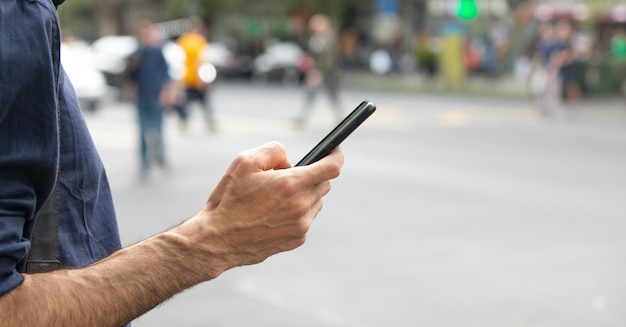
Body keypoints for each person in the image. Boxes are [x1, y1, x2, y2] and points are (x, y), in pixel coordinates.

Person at [0, 1, 344, 326]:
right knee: (150, 133)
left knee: (155, 134)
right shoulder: (17, 14)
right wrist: (215, 237)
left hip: (155, 99)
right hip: (147, 102)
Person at [126, 19, 172, 179]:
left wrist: (166, 93)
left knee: (158, 131)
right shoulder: (136, 53)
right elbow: (131, 76)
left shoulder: (157, 51)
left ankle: (160, 157)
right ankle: (144, 164)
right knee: (143, 133)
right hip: (142, 98)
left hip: (156, 96)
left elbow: (166, 73)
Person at [295, 14, 343, 128]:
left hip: (327, 72)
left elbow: (328, 58)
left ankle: (340, 117)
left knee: (332, 95)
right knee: (311, 95)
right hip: (316, 71)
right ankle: (302, 118)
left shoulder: (329, 39)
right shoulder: (314, 38)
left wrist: (319, 72)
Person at [176, 16, 216, 131]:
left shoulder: (184, 40)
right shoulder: (198, 41)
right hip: (193, 77)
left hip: (189, 77)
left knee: (193, 102)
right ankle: (190, 121)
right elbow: (202, 60)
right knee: (197, 102)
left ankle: (185, 121)